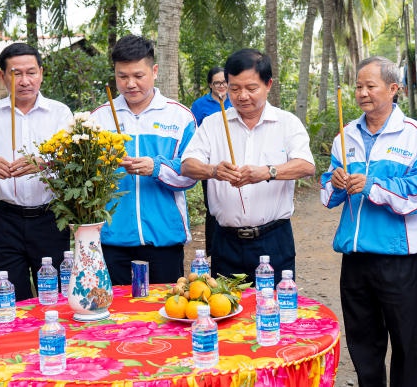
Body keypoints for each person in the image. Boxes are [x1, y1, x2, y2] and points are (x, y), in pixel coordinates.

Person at [320, 56, 417, 387]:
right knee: (363, 343)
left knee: (404, 341)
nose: (362, 93)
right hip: (355, 256)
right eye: (358, 86)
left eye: (370, 86)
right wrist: (337, 182)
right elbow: (327, 195)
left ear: (393, 88)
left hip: (396, 256)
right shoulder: (347, 135)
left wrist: (373, 186)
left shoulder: (415, 136)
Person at [181, 48, 315, 285]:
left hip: (274, 238)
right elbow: (187, 165)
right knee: (226, 311)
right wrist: (214, 171)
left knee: (274, 311)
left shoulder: (287, 123)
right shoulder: (213, 124)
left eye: (251, 88)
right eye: (234, 88)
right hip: (226, 241)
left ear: (268, 84)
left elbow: (306, 165)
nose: (242, 96)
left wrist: (267, 172)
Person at [0, 43, 73, 301]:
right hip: (5, 220)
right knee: (11, 299)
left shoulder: (60, 113)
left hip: (50, 219)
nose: (24, 81)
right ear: (2, 76)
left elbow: (73, 160)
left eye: (31, 72)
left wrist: (46, 163)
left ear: (41, 73)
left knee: (54, 297)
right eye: (15, 73)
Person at [91, 35, 197, 286]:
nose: (130, 84)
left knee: (163, 315)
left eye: (138, 76)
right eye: (122, 76)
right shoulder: (99, 118)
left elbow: (191, 175)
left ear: (155, 71)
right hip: (110, 240)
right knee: (114, 317)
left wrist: (156, 168)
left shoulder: (180, 117)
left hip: (163, 240)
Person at [191, 67, 232, 255]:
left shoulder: (235, 101)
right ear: (210, 85)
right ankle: (212, 250)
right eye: (217, 83)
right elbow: (195, 134)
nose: (221, 86)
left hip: (233, 160)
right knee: (212, 206)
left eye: (224, 82)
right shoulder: (200, 105)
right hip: (210, 165)